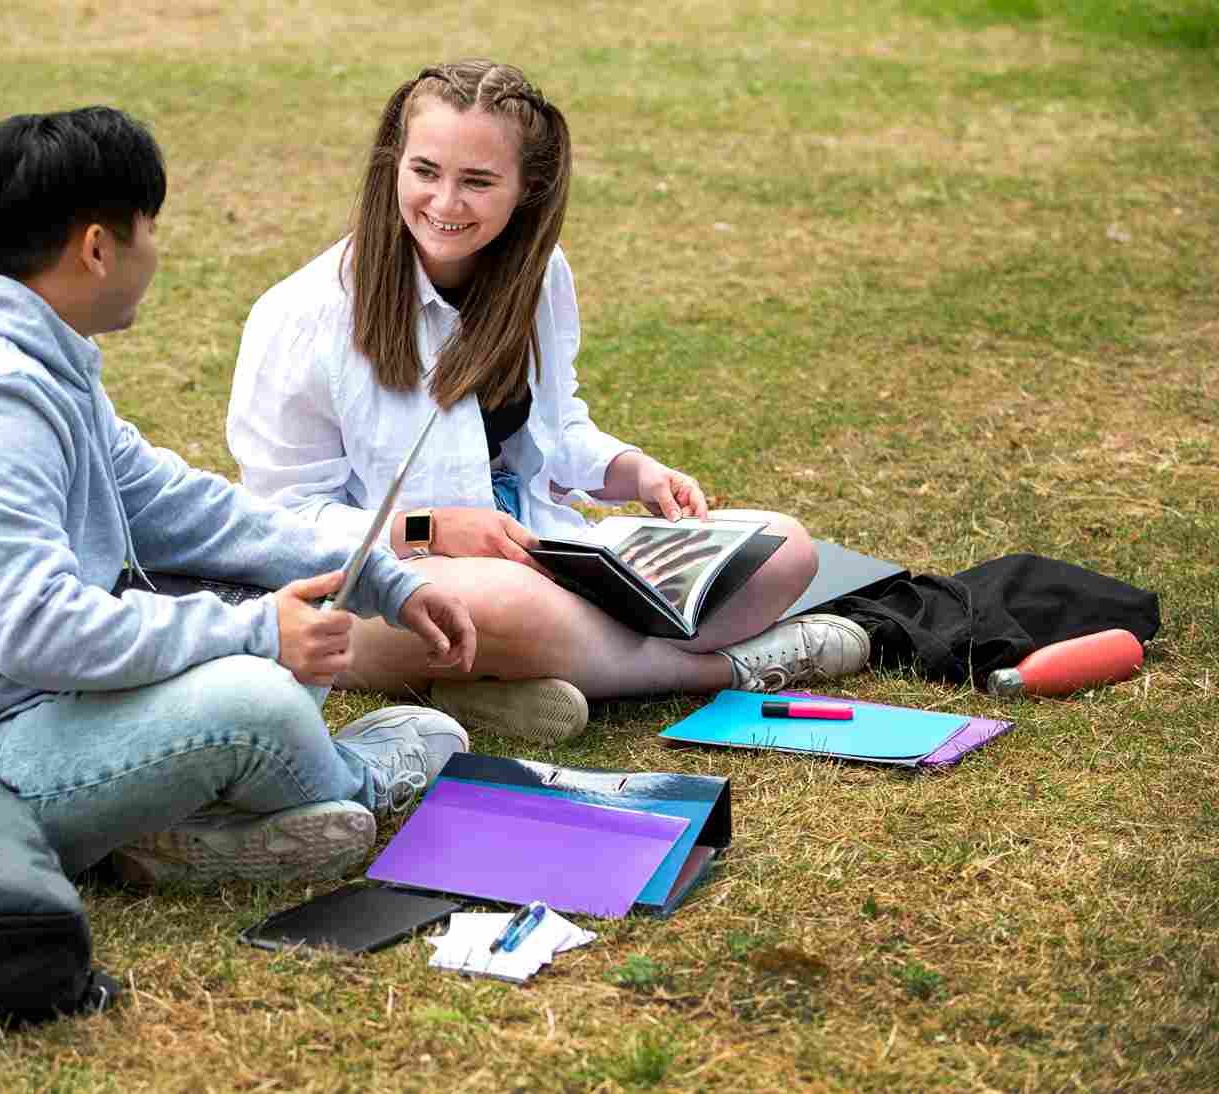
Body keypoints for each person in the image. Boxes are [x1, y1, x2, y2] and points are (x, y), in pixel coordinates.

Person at [0, 106, 480, 888]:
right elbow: (37, 629)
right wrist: (258, 634)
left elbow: (183, 507)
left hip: (16, 713)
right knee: (257, 700)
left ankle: (187, 833)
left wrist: (381, 576)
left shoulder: (37, 361)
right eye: (148, 227)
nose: (155, 251)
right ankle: (354, 781)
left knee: (282, 594)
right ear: (96, 247)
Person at [227, 60, 869, 745]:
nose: (445, 203)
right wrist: (429, 530)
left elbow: (559, 427)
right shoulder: (302, 315)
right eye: (425, 171)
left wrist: (632, 471)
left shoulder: (539, 274)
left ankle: (503, 680)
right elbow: (282, 522)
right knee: (508, 605)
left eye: (477, 181)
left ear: (526, 190)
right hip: (393, 583)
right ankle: (723, 670)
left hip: (546, 550)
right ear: (393, 164)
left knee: (785, 550)